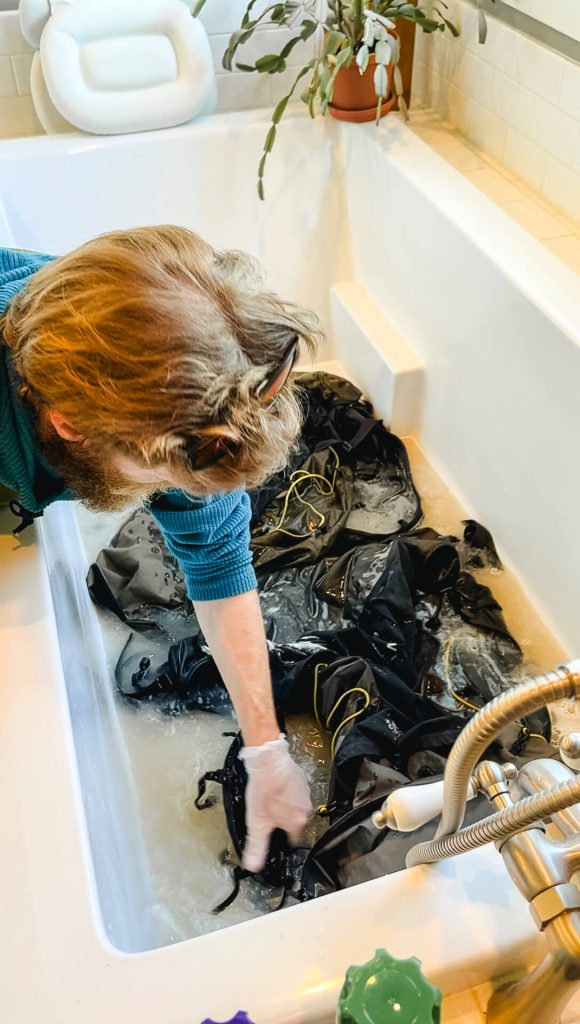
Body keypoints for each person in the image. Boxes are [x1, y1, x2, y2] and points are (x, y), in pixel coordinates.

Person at [0, 225, 321, 873]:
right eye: (165, 480)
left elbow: (218, 559)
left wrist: (266, 750)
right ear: (69, 424)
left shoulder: (163, 363)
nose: (179, 495)